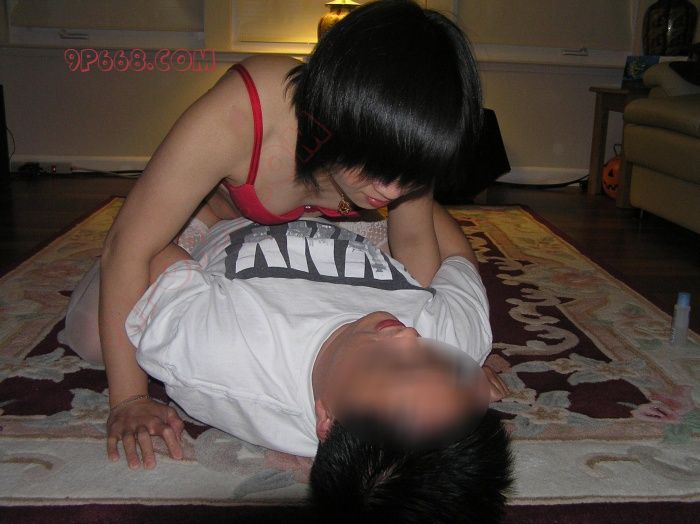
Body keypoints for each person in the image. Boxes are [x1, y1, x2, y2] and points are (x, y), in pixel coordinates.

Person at [62, 0, 484, 468]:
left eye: (411, 175)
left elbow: (416, 255)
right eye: (376, 167)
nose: (389, 190)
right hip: (216, 217)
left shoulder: (397, 166)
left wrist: (442, 365)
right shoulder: (252, 109)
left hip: (341, 222)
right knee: (98, 338)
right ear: (335, 108)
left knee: (414, 251)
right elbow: (127, 244)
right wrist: (128, 399)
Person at [121, 201, 513, 521]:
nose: (408, 335)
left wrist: (129, 397)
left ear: (326, 420)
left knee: (102, 329)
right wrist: (404, 181)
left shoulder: (214, 352)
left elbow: (146, 250)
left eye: (390, 368)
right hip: (362, 219)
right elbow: (458, 257)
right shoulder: (457, 341)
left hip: (232, 214)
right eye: (437, 361)